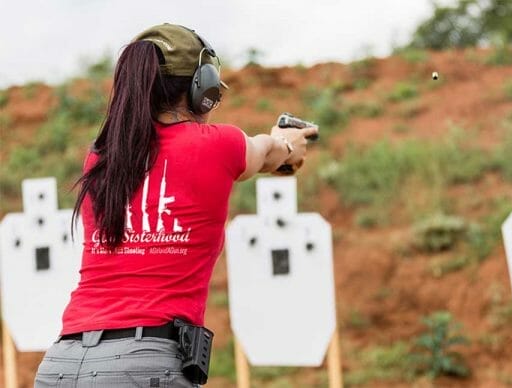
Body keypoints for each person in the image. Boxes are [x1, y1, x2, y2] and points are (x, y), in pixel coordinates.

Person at [34, 23, 317, 388]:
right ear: (203, 90)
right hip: (144, 365)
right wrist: (289, 145)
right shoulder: (219, 145)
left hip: (61, 364)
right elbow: (268, 151)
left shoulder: (101, 158)